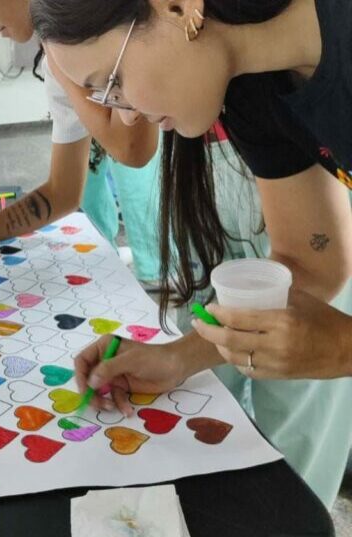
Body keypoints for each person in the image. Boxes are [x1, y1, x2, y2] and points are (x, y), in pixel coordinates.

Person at [30, 0, 352, 506]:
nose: (126, 115)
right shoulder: (253, 87)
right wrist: (177, 358)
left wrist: (341, 347)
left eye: (113, 82)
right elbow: (310, 265)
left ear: (177, 6)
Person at [0, 0, 160, 282]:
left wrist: (58, 60)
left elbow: (134, 150)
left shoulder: (106, 23)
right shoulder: (57, 63)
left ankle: (157, 268)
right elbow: (62, 192)